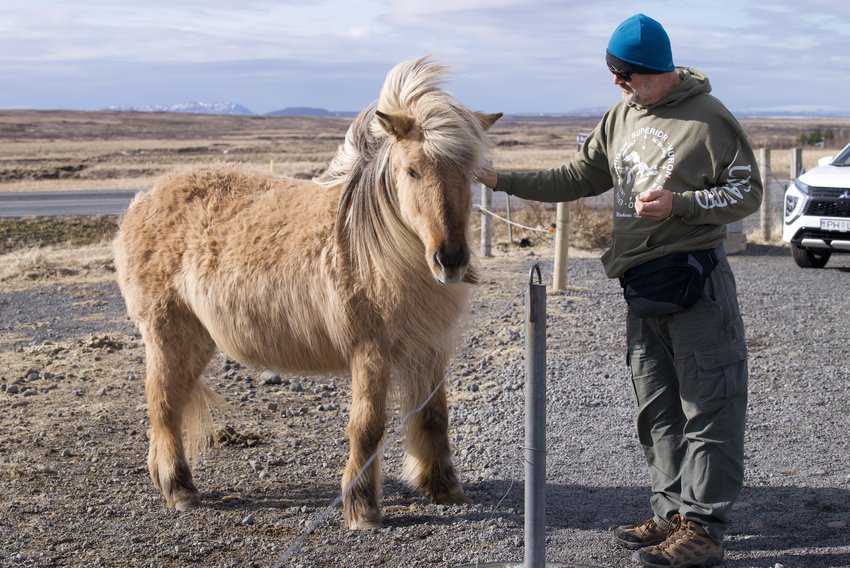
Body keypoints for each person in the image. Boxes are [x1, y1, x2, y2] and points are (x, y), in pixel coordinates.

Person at [477, 13, 762, 568]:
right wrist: (498, 178)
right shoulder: (621, 116)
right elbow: (578, 177)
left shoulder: (710, 118)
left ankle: (703, 528)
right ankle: (671, 512)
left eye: (626, 74)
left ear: (658, 70)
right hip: (641, 283)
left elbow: (746, 192)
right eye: (613, 73)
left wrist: (681, 204)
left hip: (696, 279)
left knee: (709, 404)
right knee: (656, 408)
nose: (617, 83)